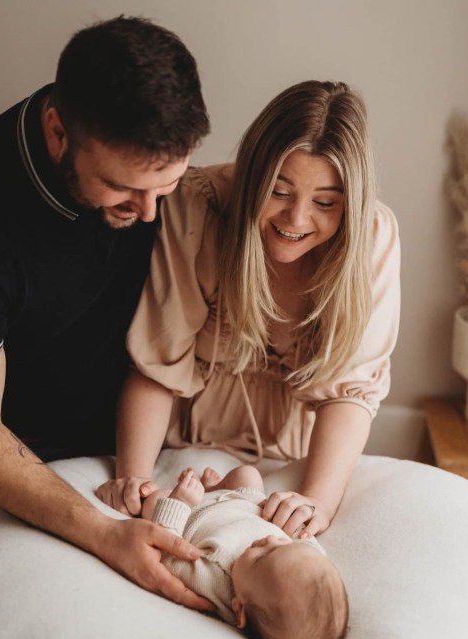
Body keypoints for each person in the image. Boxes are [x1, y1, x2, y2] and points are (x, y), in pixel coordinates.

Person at [0, 15, 214, 610]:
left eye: (166, 187)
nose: (148, 214)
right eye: (123, 189)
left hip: (105, 418)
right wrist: (103, 533)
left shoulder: (148, 185)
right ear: (58, 132)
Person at [97, 80, 401, 541]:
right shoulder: (199, 206)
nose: (296, 220)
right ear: (252, 176)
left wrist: (315, 503)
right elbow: (159, 361)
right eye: (278, 192)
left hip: (290, 462)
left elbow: (351, 392)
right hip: (179, 443)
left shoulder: (372, 236)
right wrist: (136, 482)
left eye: (325, 203)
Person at [142, 465, 348, 639]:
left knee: (154, 500)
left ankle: (198, 492)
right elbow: (307, 543)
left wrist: (180, 502)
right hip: (246, 503)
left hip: (197, 511)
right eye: (284, 545)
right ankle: (211, 487)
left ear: (239, 610)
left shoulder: (214, 583)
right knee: (248, 473)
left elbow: (169, 555)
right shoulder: (305, 560)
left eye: (260, 557)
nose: (270, 540)